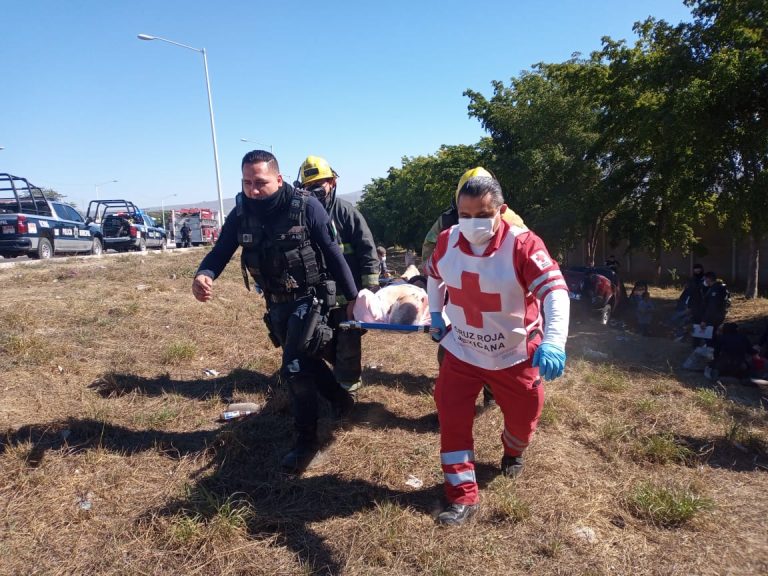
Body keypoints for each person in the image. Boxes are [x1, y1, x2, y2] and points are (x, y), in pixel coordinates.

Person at [192, 150, 359, 475]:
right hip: (275, 302)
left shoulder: (305, 206)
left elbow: (333, 254)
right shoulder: (242, 212)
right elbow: (222, 249)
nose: (253, 189)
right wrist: (204, 274)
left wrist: (353, 298)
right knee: (307, 361)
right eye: (247, 182)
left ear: (278, 179)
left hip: (309, 299)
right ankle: (341, 401)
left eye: (261, 182)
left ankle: (306, 443)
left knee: (294, 367)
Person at [426, 171, 569, 526]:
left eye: (483, 214)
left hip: (515, 354)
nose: (472, 223)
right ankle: (462, 496)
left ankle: (513, 450)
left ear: (501, 210)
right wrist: (434, 312)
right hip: (463, 350)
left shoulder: (522, 244)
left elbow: (555, 291)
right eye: (465, 215)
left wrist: (553, 340)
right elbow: (434, 274)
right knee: (451, 416)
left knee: (524, 420)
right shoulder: (447, 240)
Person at [422, 167, 528, 409]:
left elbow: (528, 256)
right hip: (459, 293)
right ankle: (456, 389)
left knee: (497, 349)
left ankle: (493, 394)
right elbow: (429, 252)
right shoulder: (447, 220)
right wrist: (441, 273)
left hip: (499, 297)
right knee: (453, 346)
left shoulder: (511, 220)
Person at [297, 155, 380, 394]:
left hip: (348, 297)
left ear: (332, 183)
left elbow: (367, 250)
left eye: (318, 184)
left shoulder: (346, 213)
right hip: (317, 298)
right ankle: (334, 379)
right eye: (307, 187)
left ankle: (348, 392)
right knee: (320, 342)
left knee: (349, 343)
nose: (314, 191)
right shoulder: (302, 216)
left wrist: (368, 292)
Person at [699, 271, 729, 346]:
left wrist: (704, 320)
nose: (704, 281)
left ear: (709, 279)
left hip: (713, 318)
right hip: (719, 316)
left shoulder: (715, 290)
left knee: (710, 338)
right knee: (716, 336)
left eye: (705, 279)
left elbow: (712, 307)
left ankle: (712, 353)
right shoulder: (720, 287)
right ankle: (715, 352)